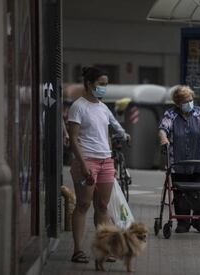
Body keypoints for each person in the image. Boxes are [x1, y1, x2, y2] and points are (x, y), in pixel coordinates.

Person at [68, 66, 116, 263]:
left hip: (106, 161)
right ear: (88, 84)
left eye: (106, 84)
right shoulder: (78, 106)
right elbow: (73, 138)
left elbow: (106, 136)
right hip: (86, 162)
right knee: (83, 205)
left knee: (102, 206)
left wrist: (110, 157)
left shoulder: (103, 108)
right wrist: (83, 163)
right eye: (100, 84)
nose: (103, 88)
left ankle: (104, 249)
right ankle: (78, 250)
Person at [158, 85, 200, 233]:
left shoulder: (198, 112)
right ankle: (183, 223)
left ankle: (199, 221)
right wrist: (164, 140)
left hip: (199, 161)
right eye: (186, 101)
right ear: (178, 103)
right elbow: (162, 129)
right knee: (181, 193)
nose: (190, 103)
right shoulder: (171, 114)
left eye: (191, 99)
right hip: (179, 163)